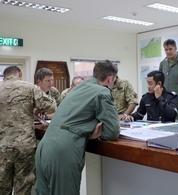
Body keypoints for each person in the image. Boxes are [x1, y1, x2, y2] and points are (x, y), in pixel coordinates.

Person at [35, 60, 120, 195]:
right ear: (110, 78)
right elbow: (112, 132)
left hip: (45, 147)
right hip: (63, 151)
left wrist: (88, 131)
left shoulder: (79, 88)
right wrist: (95, 133)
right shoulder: (102, 92)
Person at [0, 66, 56, 195]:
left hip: (2, 146)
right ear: (19, 74)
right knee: (23, 186)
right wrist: (34, 108)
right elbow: (51, 106)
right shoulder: (30, 87)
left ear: (5, 76)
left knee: (2, 186)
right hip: (24, 145)